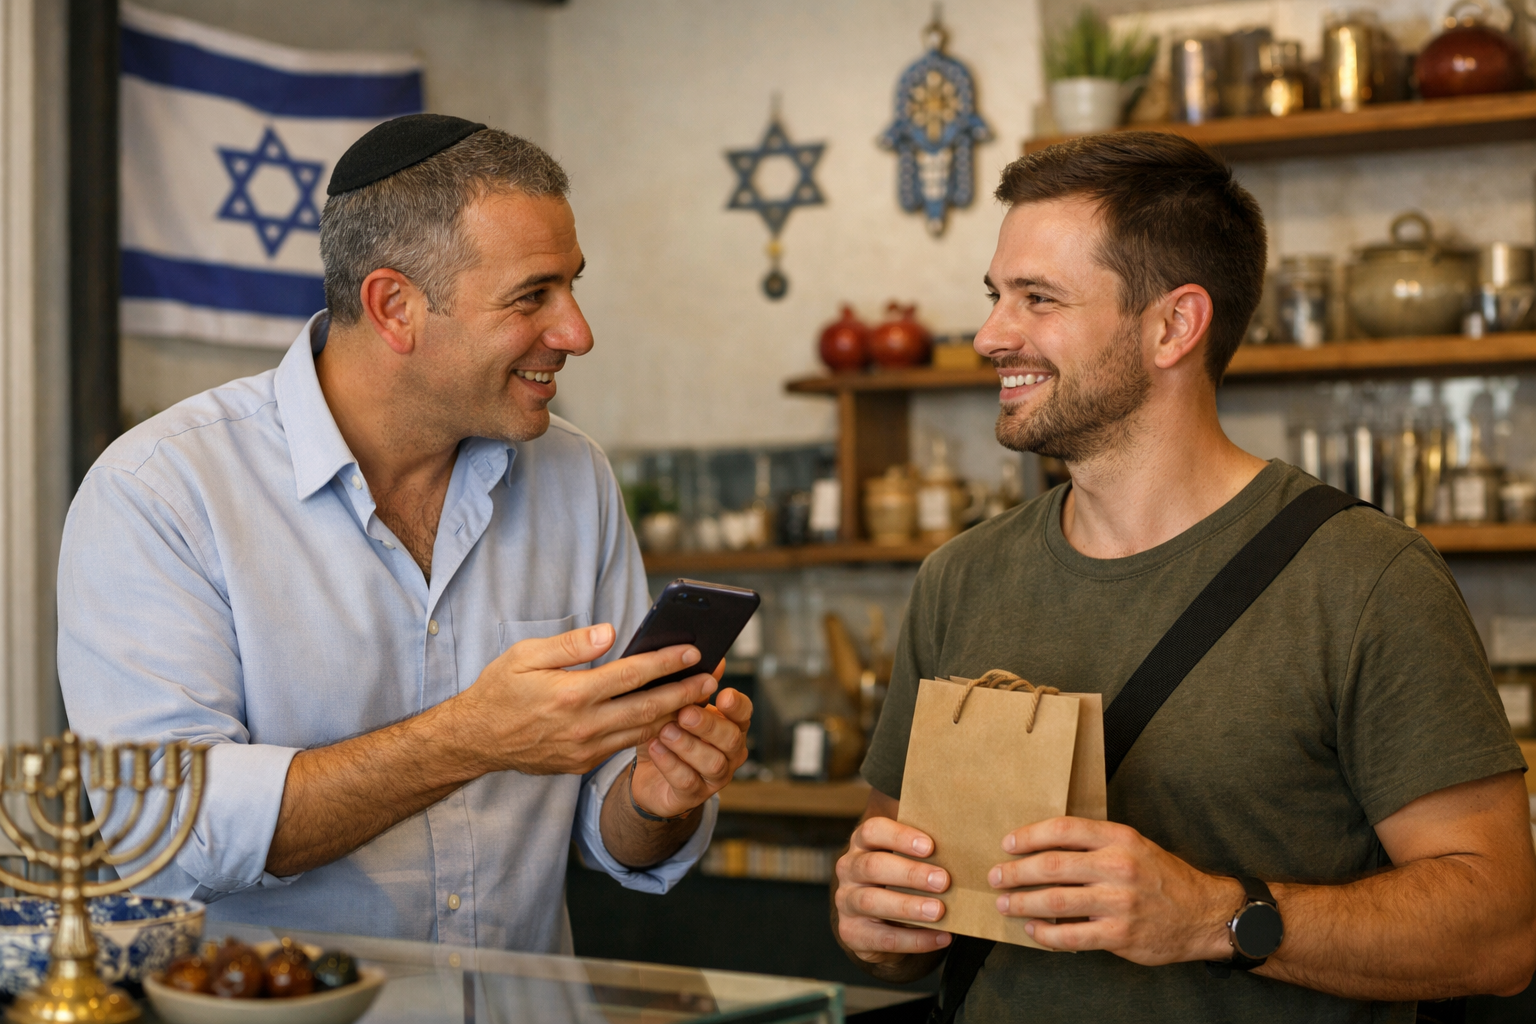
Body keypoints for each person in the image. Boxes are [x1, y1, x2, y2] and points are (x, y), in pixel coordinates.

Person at [832, 132, 1536, 1021]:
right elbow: (893, 887)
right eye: (996, 296)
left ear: (1174, 325)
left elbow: (1503, 931)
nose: (989, 335)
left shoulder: (1366, 578)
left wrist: (1212, 917)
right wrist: (872, 914)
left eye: (1037, 299)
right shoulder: (958, 578)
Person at [59, 114, 750, 951]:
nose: (577, 332)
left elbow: (614, 831)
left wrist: (654, 799)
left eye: (572, 285)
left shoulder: (577, 478)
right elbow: (167, 833)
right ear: (394, 307)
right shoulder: (162, 490)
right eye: (533, 295)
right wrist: (470, 737)